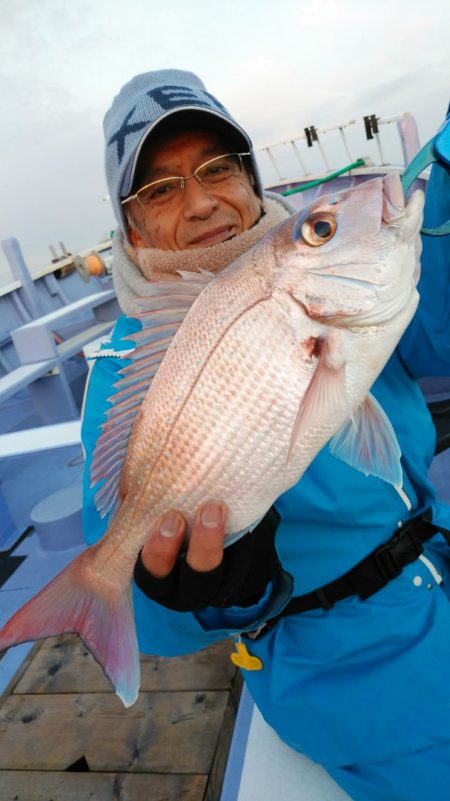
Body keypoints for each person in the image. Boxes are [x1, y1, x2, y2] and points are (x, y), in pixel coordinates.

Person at [82, 69, 450, 801]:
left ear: (251, 181)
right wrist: (216, 592)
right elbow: (160, 623)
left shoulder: (334, 275)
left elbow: (433, 326)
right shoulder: (123, 377)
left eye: (219, 167)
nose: (202, 199)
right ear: (130, 229)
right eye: (160, 188)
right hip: (349, 672)